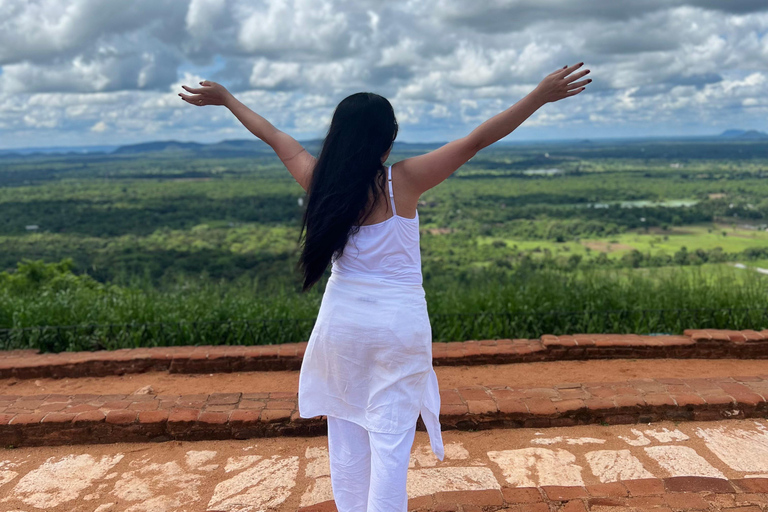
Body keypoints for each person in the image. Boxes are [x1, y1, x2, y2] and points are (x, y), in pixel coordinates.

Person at [179, 62, 590, 511]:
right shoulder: (403, 181)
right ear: (387, 140)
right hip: (397, 329)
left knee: (347, 441)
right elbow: (476, 140)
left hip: (342, 328)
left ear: (337, 136)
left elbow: (273, 135)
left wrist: (228, 99)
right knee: (390, 446)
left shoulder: (320, 181)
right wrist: (539, 95)